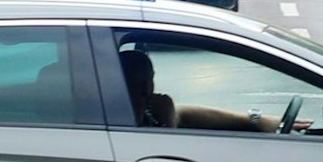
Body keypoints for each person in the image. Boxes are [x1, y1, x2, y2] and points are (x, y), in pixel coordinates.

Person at [119, 48, 299, 134]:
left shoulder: (144, 113)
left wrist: (255, 121)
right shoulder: (121, 126)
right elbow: (170, 161)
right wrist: (168, 124)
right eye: (147, 81)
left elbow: (187, 114)